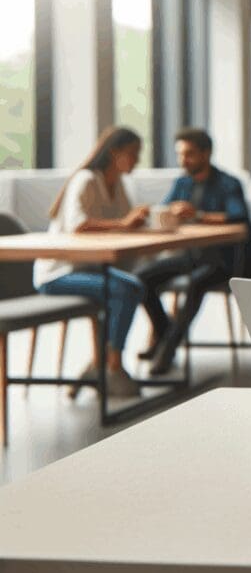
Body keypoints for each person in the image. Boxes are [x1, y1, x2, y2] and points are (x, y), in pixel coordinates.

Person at [134, 128, 251, 375]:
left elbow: (237, 218)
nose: (183, 161)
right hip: (195, 256)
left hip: (233, 260)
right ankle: (166, 334)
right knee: (141, 278)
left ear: (206, 153)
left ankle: (166, 350)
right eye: (180, 155)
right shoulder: (182, 182)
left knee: (196, 284)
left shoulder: (229, 183)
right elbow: (167, 209)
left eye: (189, 154)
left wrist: (196, 215)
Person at [34, 127, 150, 398]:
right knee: (124, 289)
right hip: (58, 274)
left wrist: (138, 220)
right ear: (114, 152)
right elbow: (78, 225)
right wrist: (124, 223)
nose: (136, 160)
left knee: (133, 286)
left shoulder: (117, 184)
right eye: (132, 154)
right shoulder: (85, 180)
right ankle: (113, 365)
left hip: (89, 269)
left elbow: (124, 225)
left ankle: (99, 364)